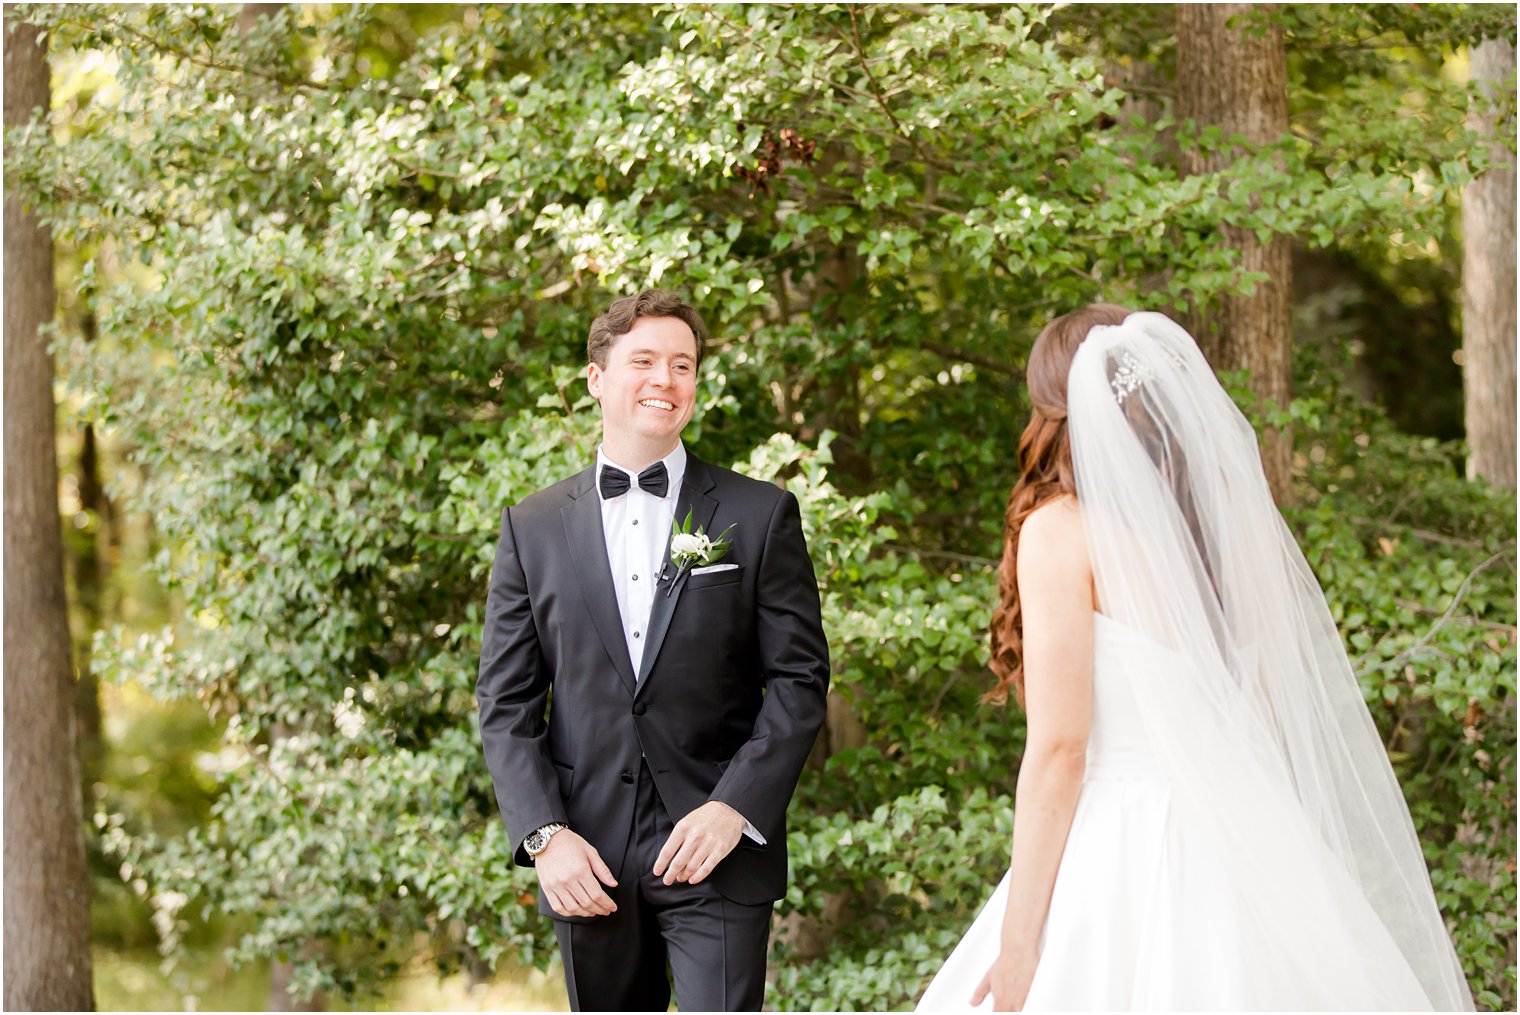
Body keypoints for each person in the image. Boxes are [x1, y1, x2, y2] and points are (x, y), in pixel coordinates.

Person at [916, 305, 1474, 1012]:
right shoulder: (1219, 527)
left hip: (1124, 843)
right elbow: (1265, 706)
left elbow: (1060, 747)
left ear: (1056, 409)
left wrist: (1022, 943)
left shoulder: (1060, 530)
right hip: (1246, 829)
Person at [475, 289, 829, 1012]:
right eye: (644, 361)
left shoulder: (759, 515)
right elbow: (506, 704)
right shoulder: (532, 527)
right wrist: (545, 837)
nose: (665, 380)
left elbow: (799, 680)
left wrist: (735, 806)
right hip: (588, 858)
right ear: (597, 379)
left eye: (683, 365)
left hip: (717, 850)